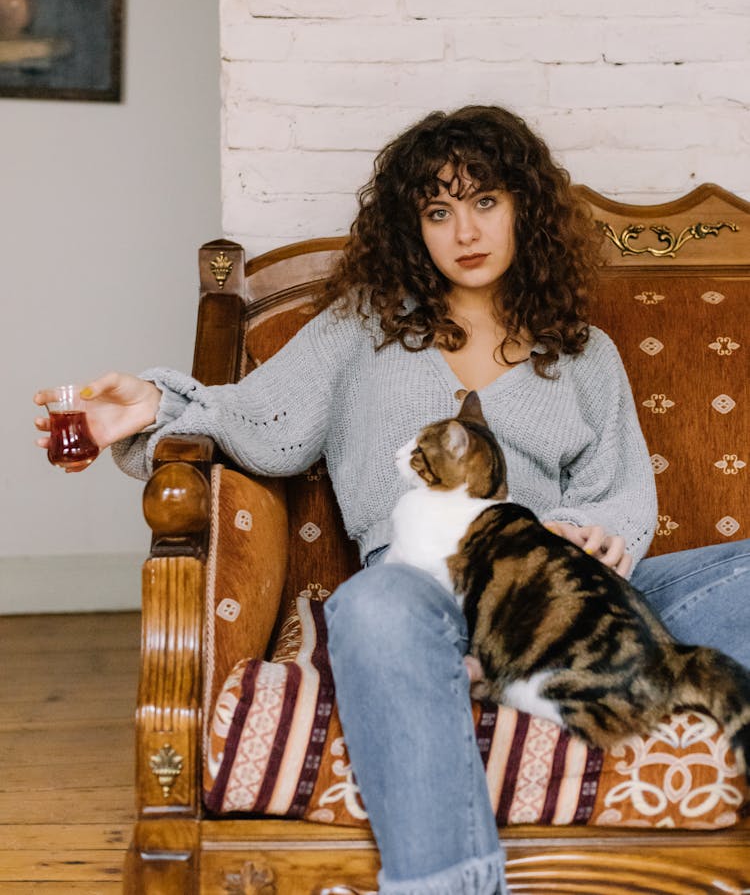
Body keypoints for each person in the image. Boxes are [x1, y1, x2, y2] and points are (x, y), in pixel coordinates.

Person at [34, 106, 750, 895]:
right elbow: (258, 422)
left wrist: (602, 533)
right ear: (415, 229)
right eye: (439, 210)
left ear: (525, 209)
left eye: (485, 201)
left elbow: (619, 493)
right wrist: (154, 405)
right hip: (425, 589)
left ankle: (518, 664)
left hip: (562, 598)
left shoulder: (583, 351)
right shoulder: (359, 329)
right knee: (370, 609)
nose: (465, 230)